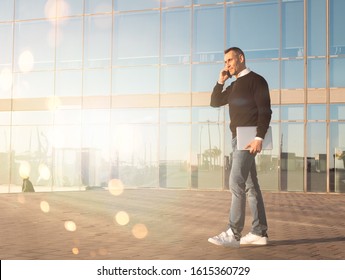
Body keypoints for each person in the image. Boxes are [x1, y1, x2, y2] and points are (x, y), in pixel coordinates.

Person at [208, 47, 272, 247]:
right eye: (225, 61)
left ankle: (233, 233)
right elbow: (215, 102)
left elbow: (265, 111)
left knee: (236, 182)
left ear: (241, 58)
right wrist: (221, 81)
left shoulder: (257, 81)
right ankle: (259, 232)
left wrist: (259, 137)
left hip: (249, 136)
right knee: (251, 186)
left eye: (230, 60)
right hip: (237, 138)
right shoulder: (234, 86)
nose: (227, 64)